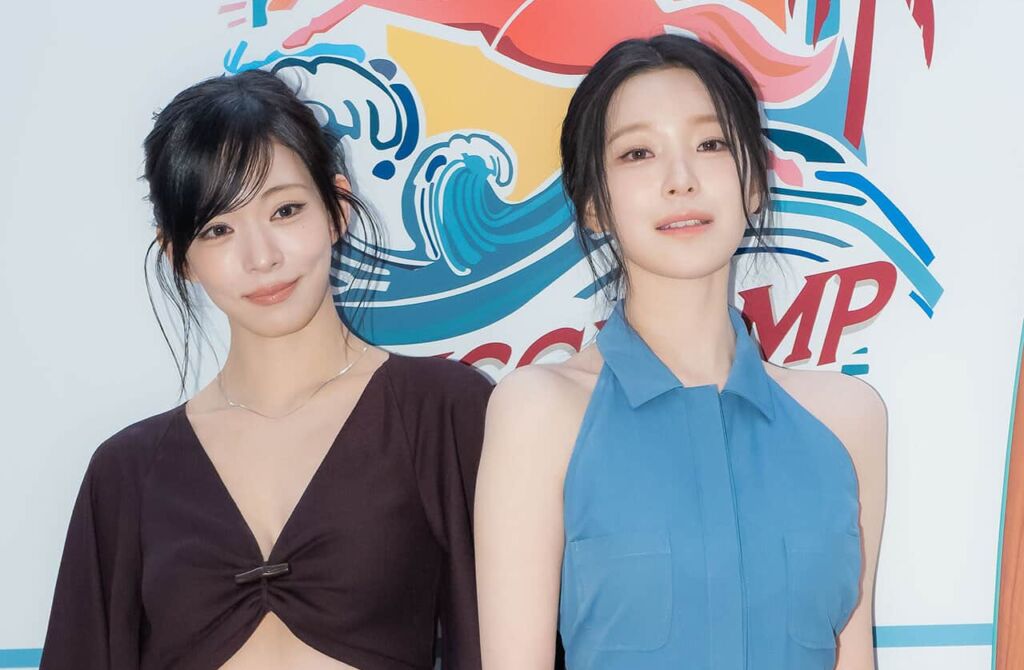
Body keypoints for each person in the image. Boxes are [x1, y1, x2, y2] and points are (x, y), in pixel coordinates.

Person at [41, 69, 490, 670]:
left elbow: (506, 638)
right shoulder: (125, 472)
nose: (261, 257)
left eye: (285, 210)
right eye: (218, 228)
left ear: (337, 209)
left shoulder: (443, 411)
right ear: (180, 257)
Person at [475, 34, 886, 670]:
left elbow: (853, 655)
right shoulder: (539, 412)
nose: (681, 180)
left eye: (711, 144)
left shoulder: (847, 417)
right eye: (638, 153)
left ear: (755, 180)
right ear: (593, 204)